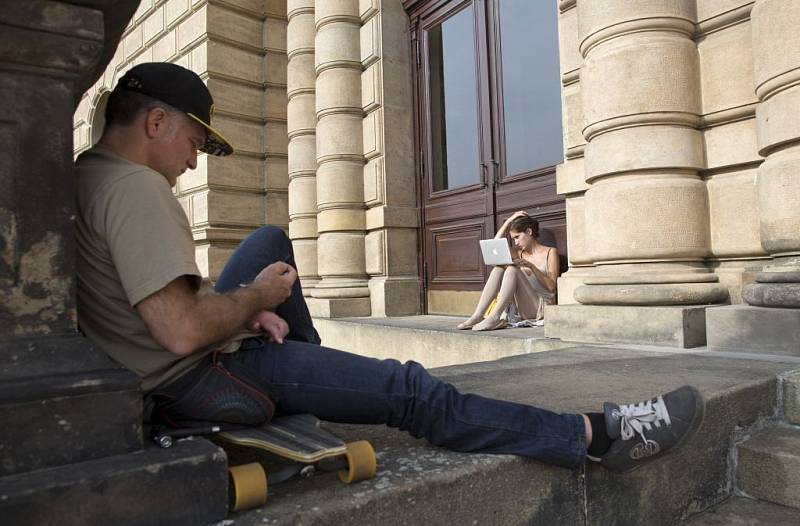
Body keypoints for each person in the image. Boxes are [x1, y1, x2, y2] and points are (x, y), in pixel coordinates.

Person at [75, 62, 704, 475]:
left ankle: (312, 379)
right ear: (155, 122)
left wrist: (245, 302)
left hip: (158, 360)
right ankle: (596, 436)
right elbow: (183, 330)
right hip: (197, 375)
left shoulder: (86, 173)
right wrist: (250, 299)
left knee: (269, 237)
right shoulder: (138, 188)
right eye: (194, 141)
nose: (193, 161)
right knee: (410, 387)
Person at [458, 212, 558, 331]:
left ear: (529, 232)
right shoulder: (517, 252)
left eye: (517, 237)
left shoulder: (550, 252)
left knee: (512, 269)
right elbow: (493, 250)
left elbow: (552, 286)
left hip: (541, 306)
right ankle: (478, 315)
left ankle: (494, 317)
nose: (516, 242)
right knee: (498, 268)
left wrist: (532, 267)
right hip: (522, 306)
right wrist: (508, 221)